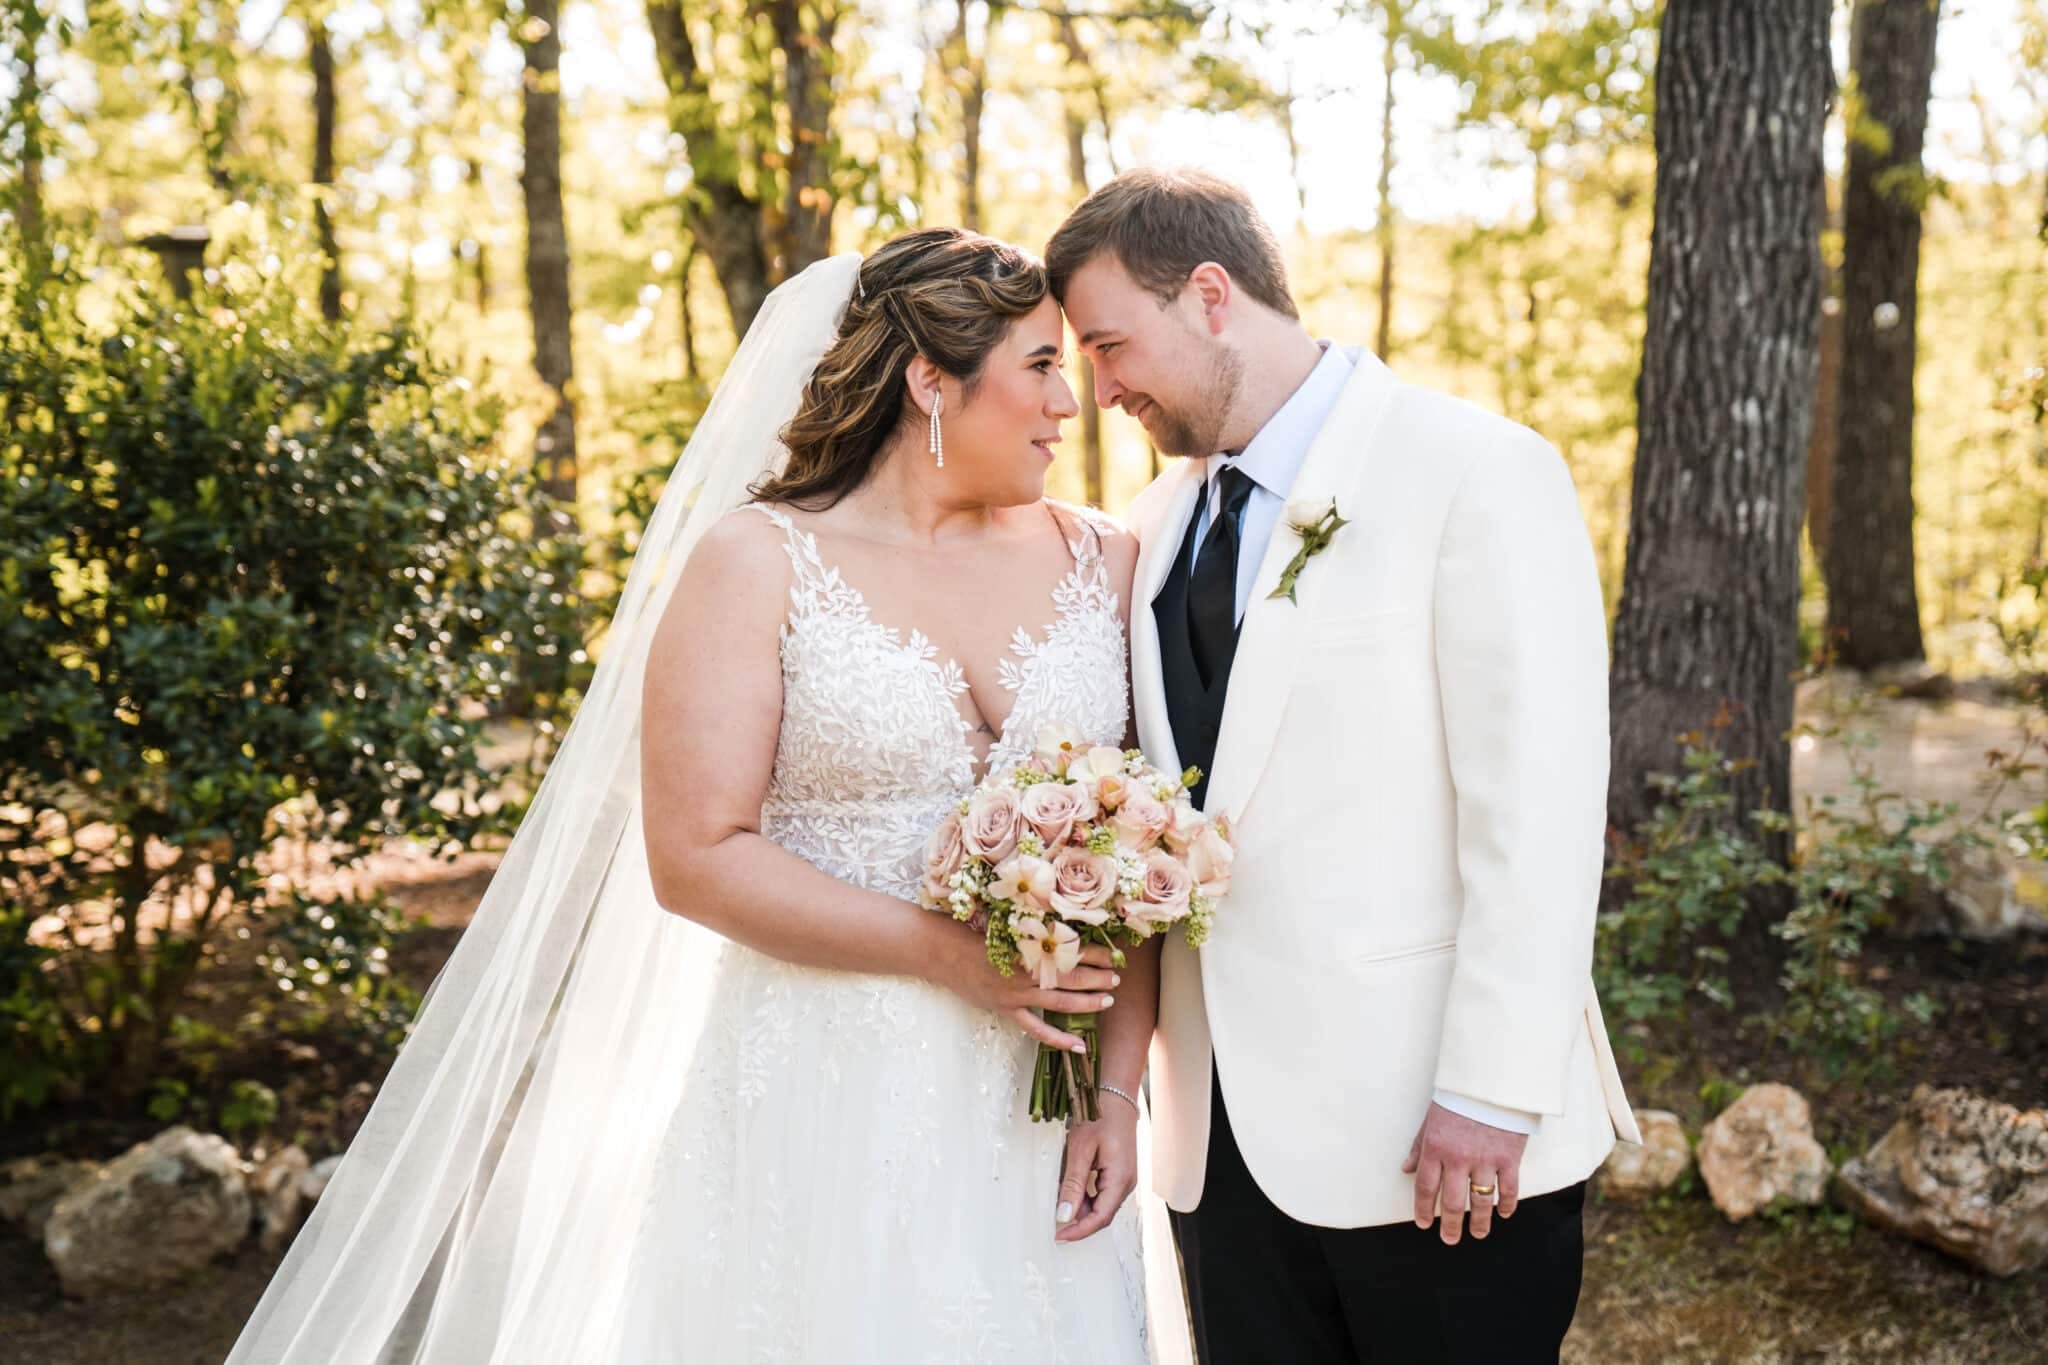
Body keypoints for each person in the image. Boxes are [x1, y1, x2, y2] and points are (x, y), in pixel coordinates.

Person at [226, 230, 1167, 1363]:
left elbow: (1137, 851)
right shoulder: (757, 561)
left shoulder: (1103, 559)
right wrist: (948, 955)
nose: (1069, 402)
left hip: (1046, 1109)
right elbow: (696, 855)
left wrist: (1116, 1094)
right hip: (823, 1086)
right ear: (931, 381)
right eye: (1040, 365)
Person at [1048, 169, 1640, 1365]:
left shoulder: (1473, 469)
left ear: (1209, 295)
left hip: (1433, 1135)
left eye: (1109, 346)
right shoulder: (1150, 527)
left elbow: (1537, 808)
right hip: (1218, 1155)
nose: (1100, 390)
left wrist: (1489, 1090)